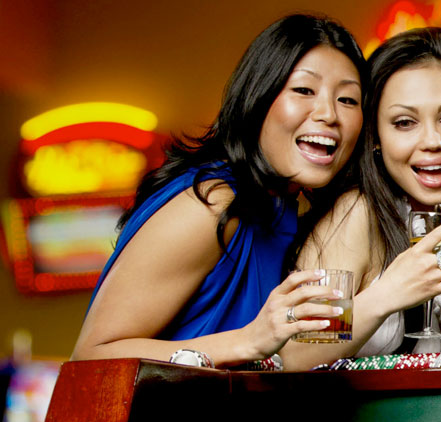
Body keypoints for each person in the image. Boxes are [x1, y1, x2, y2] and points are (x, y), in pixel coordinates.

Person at [72, 15, 366, 368]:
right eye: (303, 90)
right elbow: (90, 356)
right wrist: (249, 340)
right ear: (258, 96)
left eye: (348, 100)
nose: (328, 114)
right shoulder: (211, 202)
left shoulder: (294, 212)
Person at [283, 27, 441, 370]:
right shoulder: (358, 214)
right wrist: (388, 294)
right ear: (375, 137)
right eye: (405, 123)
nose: (433, 140)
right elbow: (296, 356)